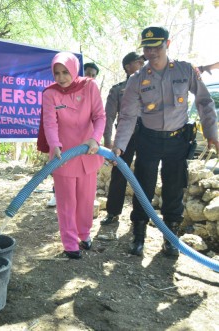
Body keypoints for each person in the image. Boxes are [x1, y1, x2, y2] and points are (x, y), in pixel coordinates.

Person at [112, 26, 219, 257]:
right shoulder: (136, 79)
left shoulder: (185, 70)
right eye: (147, 48)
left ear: (167, 44)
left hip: (177, 141)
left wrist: (212, 133)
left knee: (173, 189)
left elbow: (204, 102)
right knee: (143, 188)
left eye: (156, 46)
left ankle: (170, 239)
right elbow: (128, 115)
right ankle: (138, 235)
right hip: (147, 140)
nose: (151, 52)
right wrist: (119, 145)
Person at [42, 52, 106, 259]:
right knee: (66, 202)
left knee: (86, 200)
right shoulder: (50, 94)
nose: (61, 78)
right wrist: (55, 145)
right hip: (63, 155)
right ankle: (70, 242)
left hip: (89, 150)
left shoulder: (89, 86)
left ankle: (84, 234)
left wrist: (95, 139)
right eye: (57, 73)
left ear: (74, 70)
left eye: (65, 72)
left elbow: (99, 116)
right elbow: (50, 123)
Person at [101, 52, 145, 225]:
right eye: (139, 62)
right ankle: (112, 212)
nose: (143, 65)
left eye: (144, 62)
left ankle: (140, 217)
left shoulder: (151, 87)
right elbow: (109, 117)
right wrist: (107, 142)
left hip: (147, 136)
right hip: (124, 138)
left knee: (144, 174)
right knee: (119, 173)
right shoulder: (118, 89)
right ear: (128, 67)